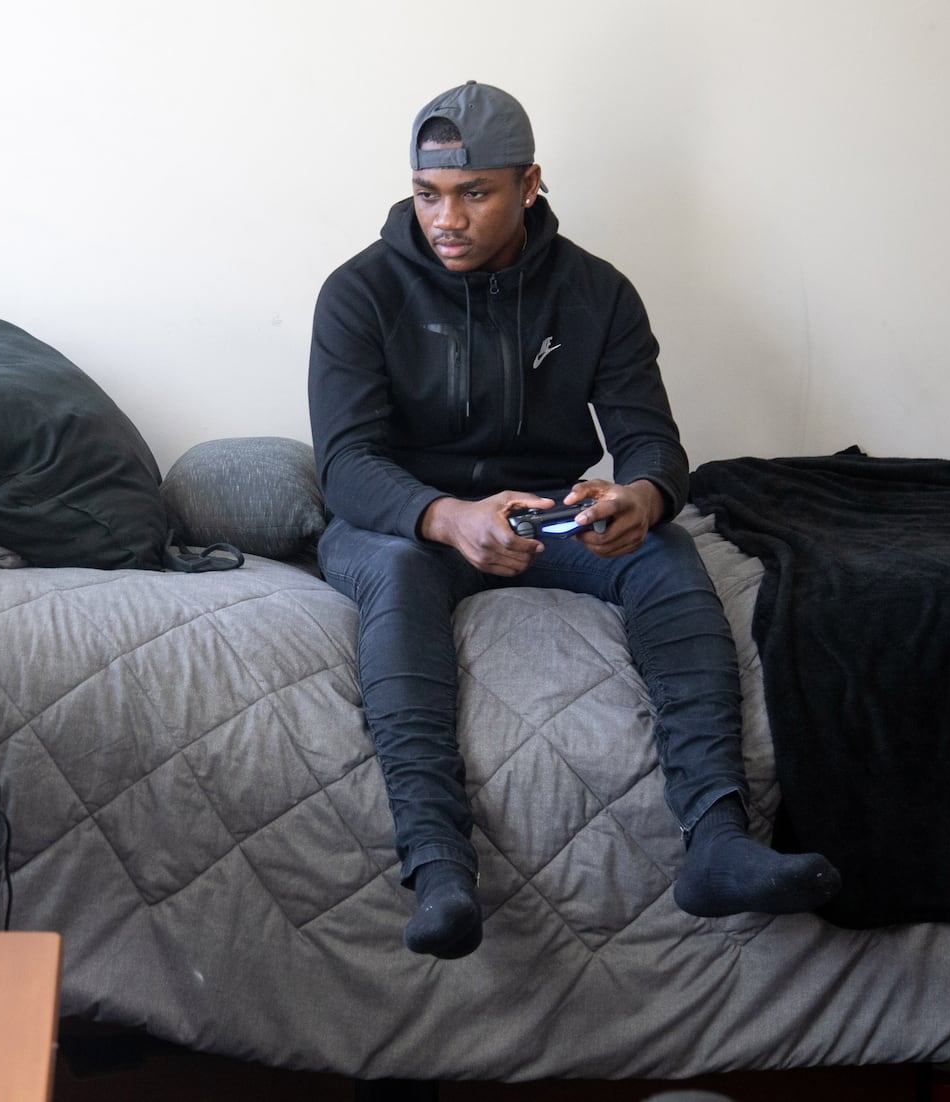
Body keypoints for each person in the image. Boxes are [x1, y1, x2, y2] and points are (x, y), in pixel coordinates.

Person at [307, 81, 840, 959]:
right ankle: (440, 871)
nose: (447, 218)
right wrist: (444, 517)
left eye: (475, 193)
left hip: (541, 510)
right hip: (402, 515)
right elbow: (345, 465)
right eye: (428, 193)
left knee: (664, 552)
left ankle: (717, 840)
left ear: (529, 184)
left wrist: (643, 496)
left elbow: (650, 443)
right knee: (400, 578)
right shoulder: (358, 294)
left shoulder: (597, 292)